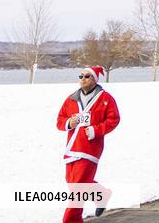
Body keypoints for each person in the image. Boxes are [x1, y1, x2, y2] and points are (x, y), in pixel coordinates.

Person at [56, 66, 120, 223]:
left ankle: (71, 220)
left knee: (77, 190)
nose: (83, 78)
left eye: (87, 76)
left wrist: (95, 130)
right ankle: (101, 194)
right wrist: (68, 123)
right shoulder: (71, 99)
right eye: (81, 76)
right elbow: (59, 121)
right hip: (71, 149)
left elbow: (114, 119)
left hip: (90, 150)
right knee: (75, 185)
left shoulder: (105, 99)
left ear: (95, 80)